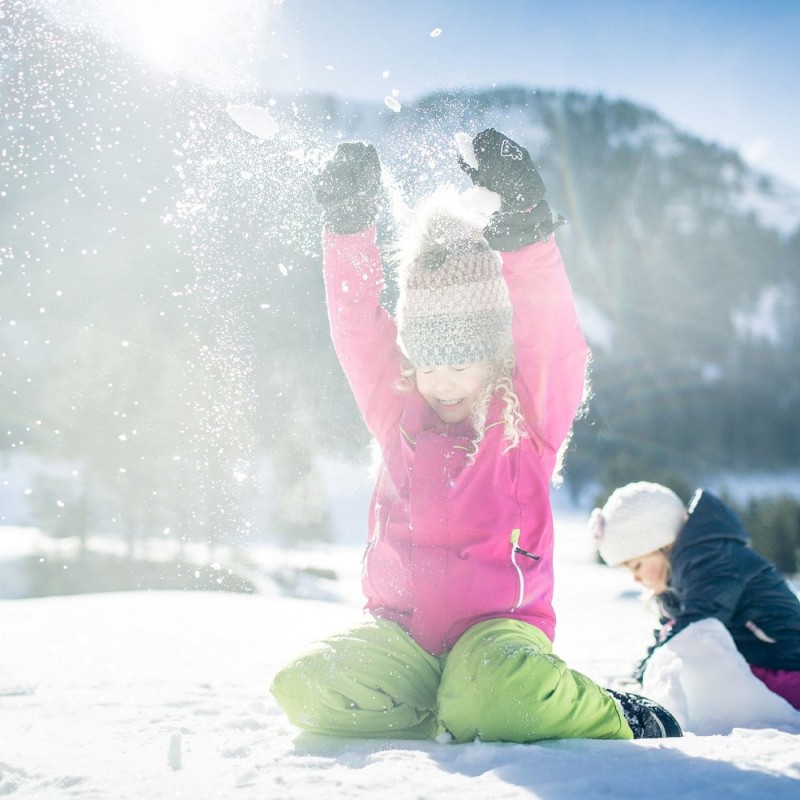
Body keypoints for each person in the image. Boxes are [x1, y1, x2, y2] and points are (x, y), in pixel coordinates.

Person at [270, 129, 681, 741]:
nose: (443, 381)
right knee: (305, 686)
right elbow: (356, 326)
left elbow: (553, 338)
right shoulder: (397, 410)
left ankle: (611, 713)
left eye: (462, 361)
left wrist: (526, 231)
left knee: (493, 693)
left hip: (498, 637)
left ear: (495, 354)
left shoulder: (526, 421)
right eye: (428, 361)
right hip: (402, 638)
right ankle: (447, 710)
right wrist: (348, 229)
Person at [590, 481, 800, 710]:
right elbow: (668, 635)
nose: (636, 579)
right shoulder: (683, 577)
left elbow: (692, 630)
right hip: (759, 666)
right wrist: (640, 678)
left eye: (637, 566)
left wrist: (646, 681)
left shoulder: (714, 562)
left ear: (662, 546)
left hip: (786, 668)